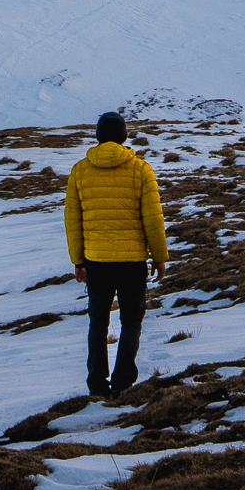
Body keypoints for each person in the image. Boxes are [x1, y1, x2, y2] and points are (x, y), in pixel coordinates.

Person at [64, 110, 167, 398]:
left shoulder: (80, 171)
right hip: (132, 261)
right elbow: (153, 219)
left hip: (97, 260)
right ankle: (123, 382)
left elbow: (73, 221)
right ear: (124, 136)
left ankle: (97, 383)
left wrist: (78, 261)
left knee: (98, 321)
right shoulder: (141, 170)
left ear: (97, 136)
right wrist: (159, 256)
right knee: (131, 320)